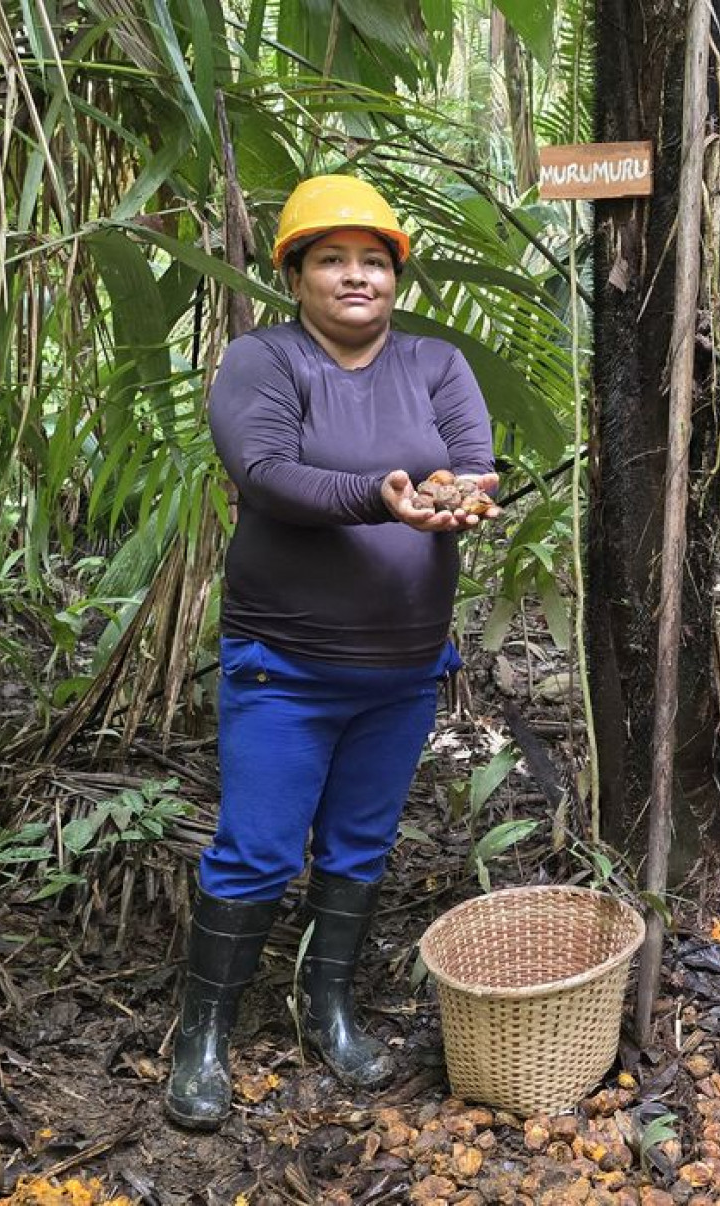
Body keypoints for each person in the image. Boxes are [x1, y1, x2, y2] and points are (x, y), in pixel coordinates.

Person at [166, 174, 500, 1129]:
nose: (356, 276)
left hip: (402, 669)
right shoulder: (261, 360)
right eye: (331, 259)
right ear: (296, 273)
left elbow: (473, 461)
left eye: (373, 260)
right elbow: (266, 475)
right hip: (285, 665)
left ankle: (330, 1007)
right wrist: (385, 497)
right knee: (258, 849)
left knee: (360, 844)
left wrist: (463, 495)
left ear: (395, 274)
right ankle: (204, 1035)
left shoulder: (437, 364)